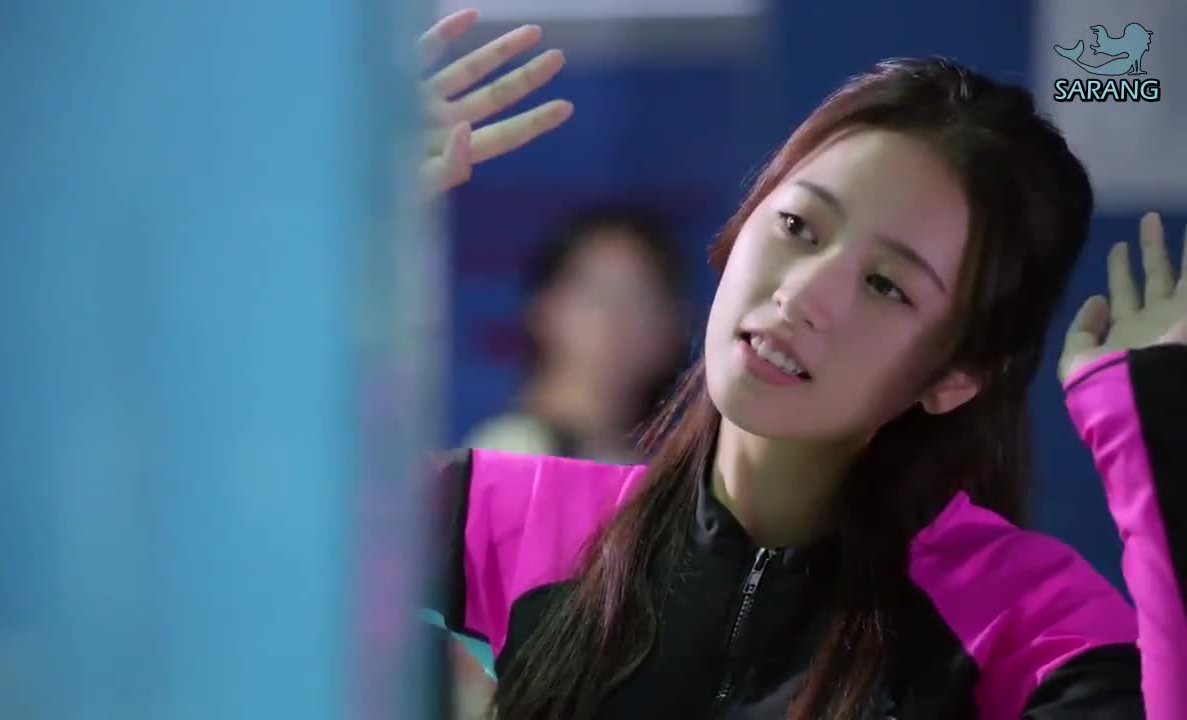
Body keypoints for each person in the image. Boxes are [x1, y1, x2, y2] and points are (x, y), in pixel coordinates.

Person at [420, 9, 1187, 720]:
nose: (803, 294)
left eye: (886, 285)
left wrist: (1162, 447)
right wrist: (347, 204)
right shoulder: (518, 520)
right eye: (798, 225)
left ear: (956, 373)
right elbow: (333, 520)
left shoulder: (1021, 621)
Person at [463, 204, 689, 463]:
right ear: (544, 308)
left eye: (642, 299)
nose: (618, 319)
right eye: (597, 295)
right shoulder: (513, 450)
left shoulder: (665, 462)